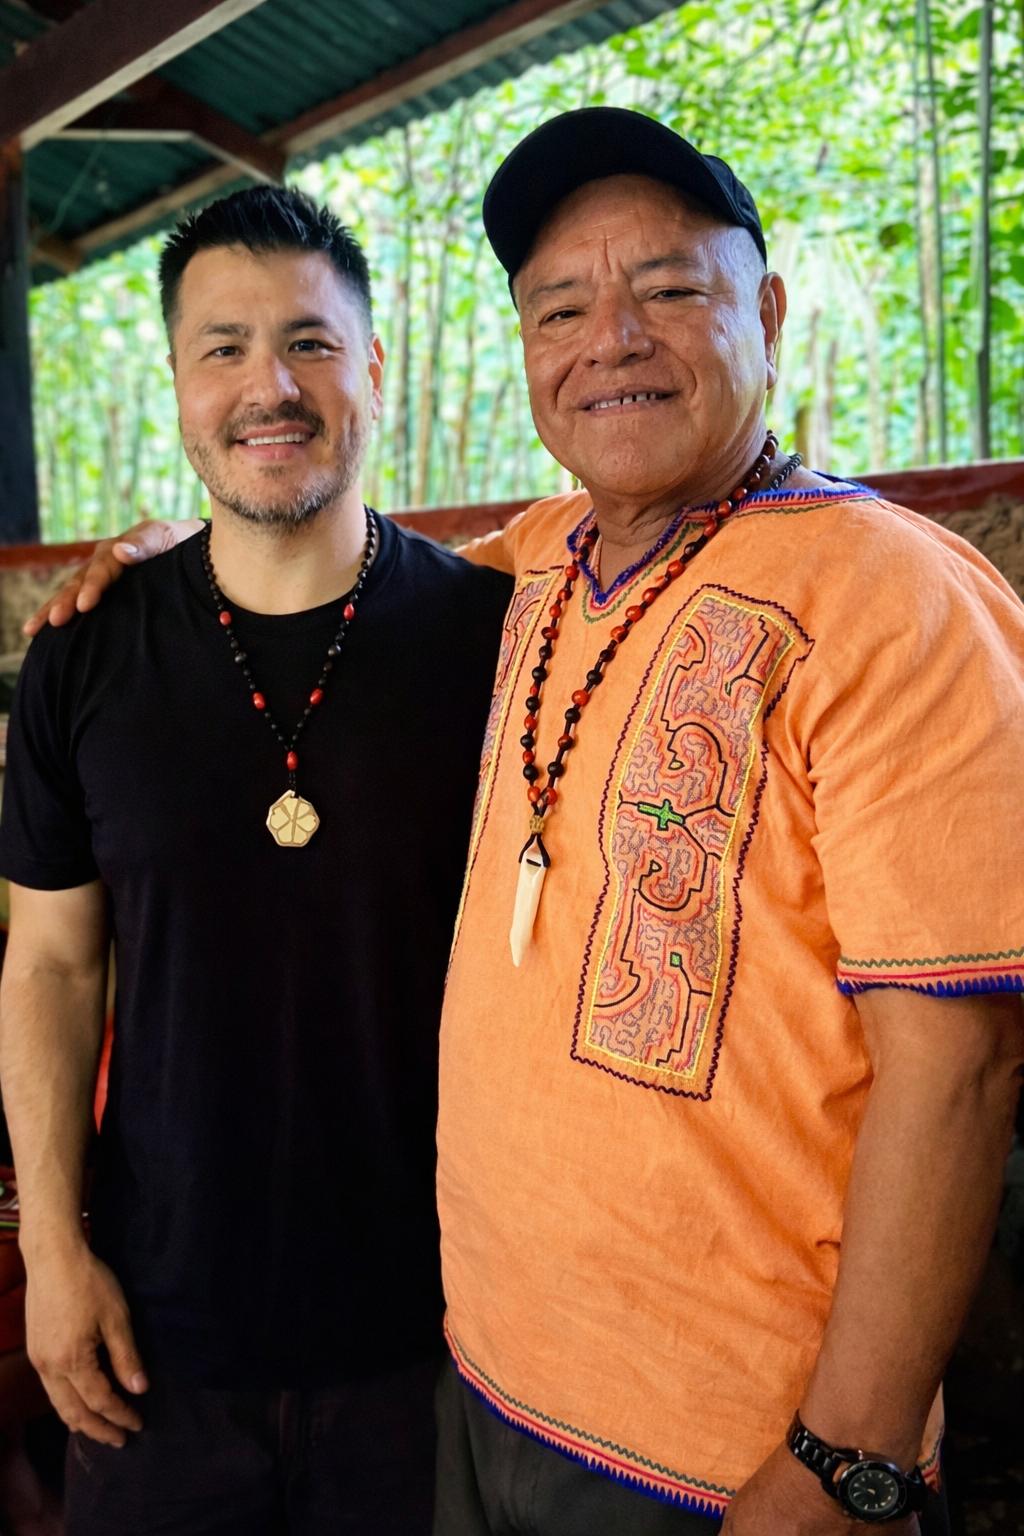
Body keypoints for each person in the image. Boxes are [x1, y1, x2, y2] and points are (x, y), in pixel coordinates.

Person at [30, 109, 1024, 1536]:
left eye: (669, 290)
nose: (610, 337)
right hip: (481, 1391)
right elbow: (315, 550)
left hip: (729, 1449)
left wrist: (848, 1460)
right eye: (562, 305)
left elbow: (964, 1063)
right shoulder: (541, 570)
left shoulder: (896, 597)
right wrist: (176, 552)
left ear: (771, 308)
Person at [0, 186, 511, 1536]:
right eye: (222, 347)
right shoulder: (81, 659)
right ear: (175, 383)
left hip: (446, 1337)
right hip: (157, 1335)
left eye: (310, 342)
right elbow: (51, 966)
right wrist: (52, 1253)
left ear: (375, 371)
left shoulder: (500, 641)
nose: (267, 387)